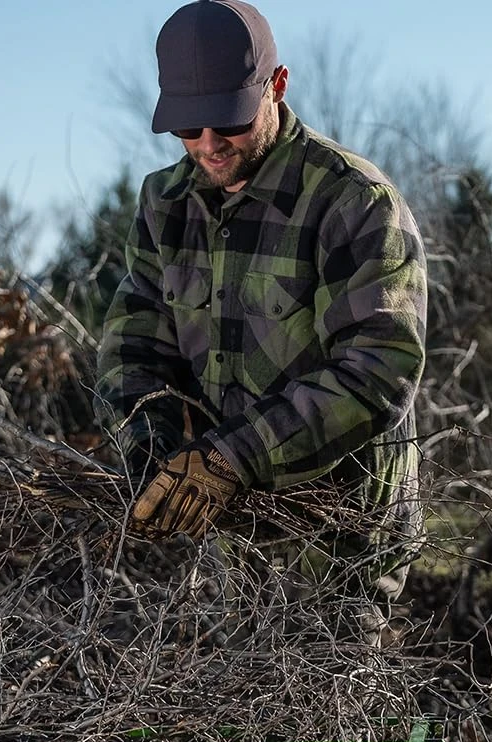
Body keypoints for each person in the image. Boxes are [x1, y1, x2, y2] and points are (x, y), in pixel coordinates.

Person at [97, 0, 427, 624]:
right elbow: (133, 345)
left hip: (342, 540)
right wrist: (152, 450)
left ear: (277, 85)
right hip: (229, 537)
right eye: (189, 129)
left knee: (329, 717)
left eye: (229, 122)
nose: (209, 145)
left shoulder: (352, 202)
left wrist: (232, 456)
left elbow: (378, 371)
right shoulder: (164, 204)